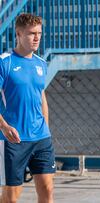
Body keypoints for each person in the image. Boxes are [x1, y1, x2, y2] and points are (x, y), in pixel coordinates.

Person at [0, 13, 55, 203]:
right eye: (32, 33)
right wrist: (4, 127)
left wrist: (45, 128)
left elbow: (41, 96)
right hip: (13, 139)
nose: (37, 37)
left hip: (41, 138)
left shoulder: (41, 63)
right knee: (11, 197)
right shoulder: (4, 62)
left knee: (47, 190)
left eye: (39, 33)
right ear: (18, 34)